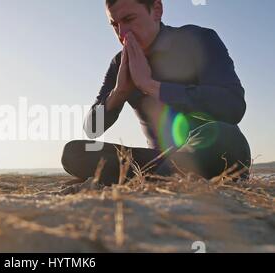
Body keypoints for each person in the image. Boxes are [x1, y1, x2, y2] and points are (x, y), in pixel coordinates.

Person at [61, 0, 251, 186]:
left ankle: (146, 180)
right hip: (157, 160)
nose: (122, 33)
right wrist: (119, 92)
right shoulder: (120, 64)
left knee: (225, 135)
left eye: (129, 19)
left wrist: (151, 86)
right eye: (115, 24)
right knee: (73, 152)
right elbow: (91, 129)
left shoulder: (198, 39)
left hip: (211, 148)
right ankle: (161, 178)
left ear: (157, 10)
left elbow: (233, 106)